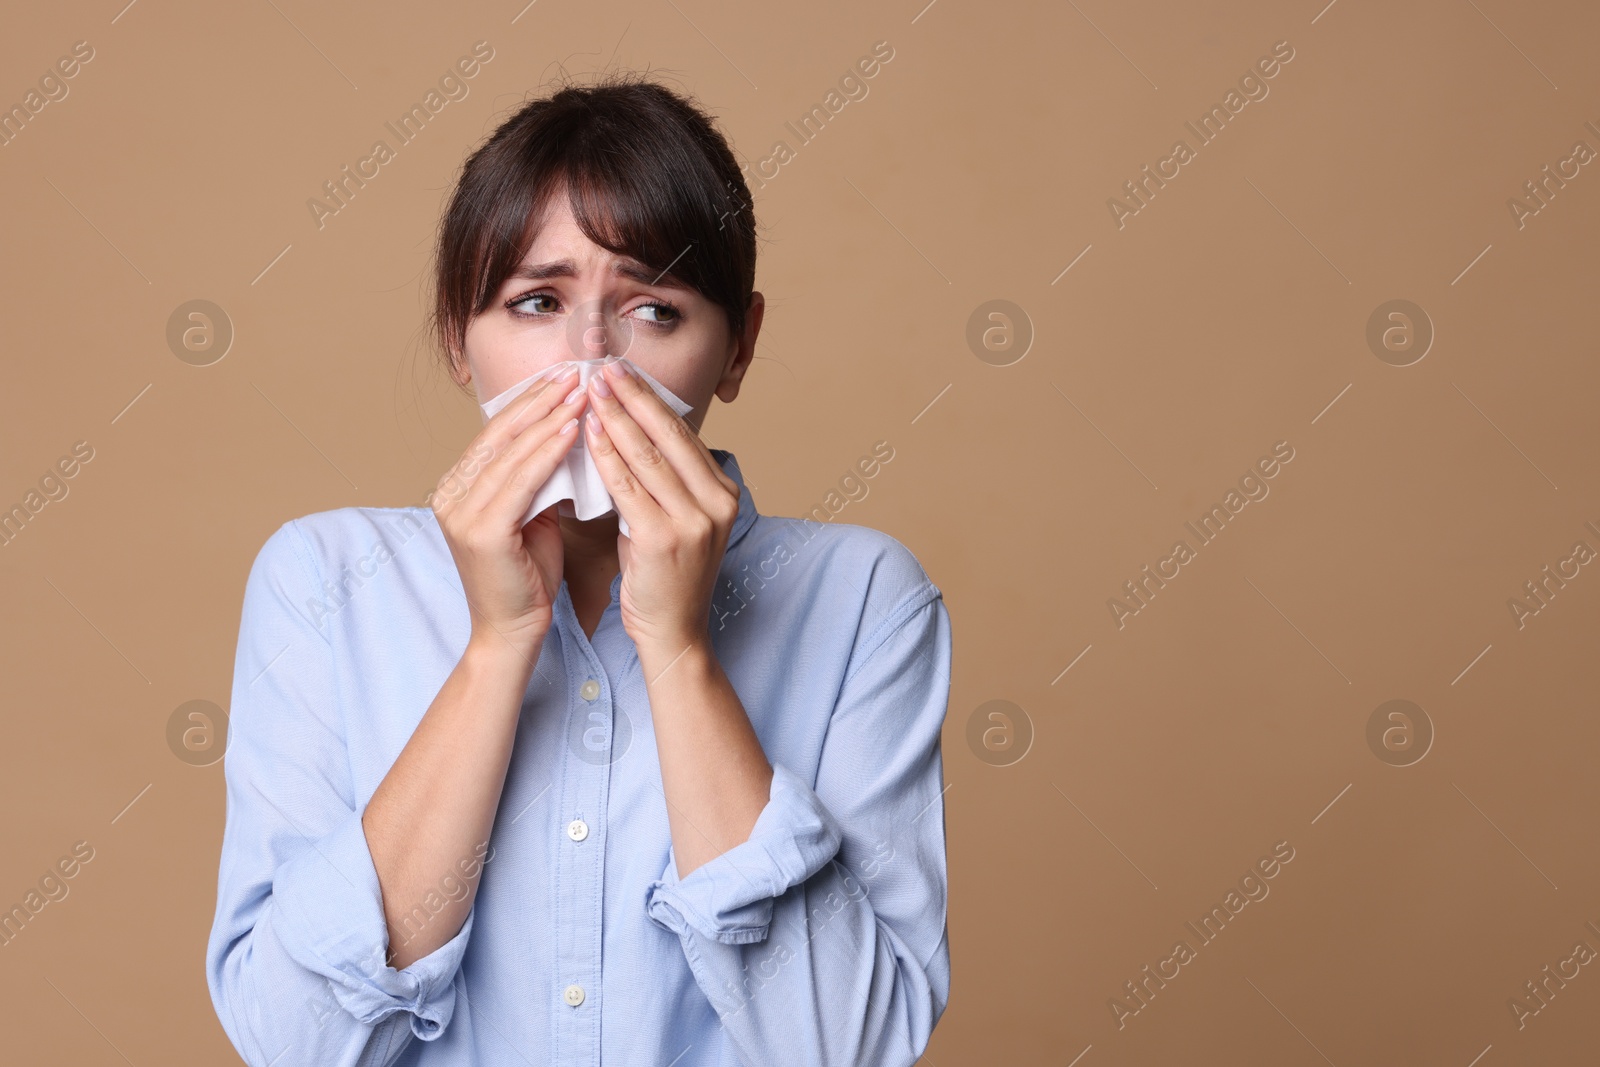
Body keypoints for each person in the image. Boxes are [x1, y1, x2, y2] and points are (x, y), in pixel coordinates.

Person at [205, 72, 952, 1066]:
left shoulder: (862, 600)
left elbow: (843, 1048)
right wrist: (496, 648)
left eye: (653, 311)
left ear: (737, 347)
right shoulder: (322, 580)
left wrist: (680, 654)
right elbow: (294, 1044)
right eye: (537, 300)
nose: (591, 360)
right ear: (456, 339)